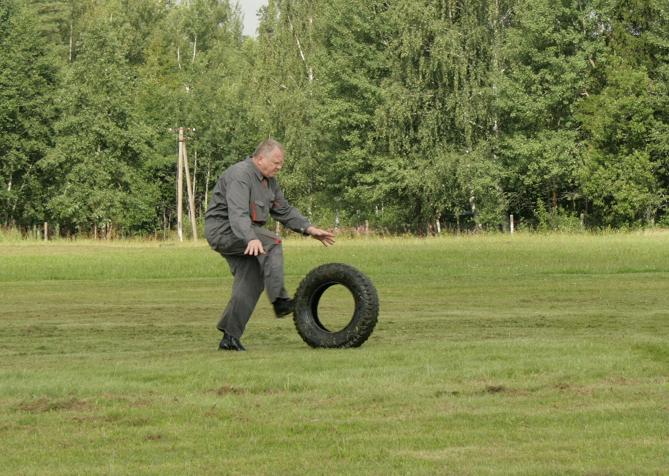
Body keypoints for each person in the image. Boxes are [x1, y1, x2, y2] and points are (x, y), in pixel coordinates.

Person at [204, 139, 335, 351]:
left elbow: (283, 210)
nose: (279, 167)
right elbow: (237, 214)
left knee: (253, 279)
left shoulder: (269, 181)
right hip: (225, 230)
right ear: (260, 158)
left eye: (281, 163)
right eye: (276, 162)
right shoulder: (241, 175)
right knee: (272, 243)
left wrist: (309, 229)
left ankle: (230, 337)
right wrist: (251, 238)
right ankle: (281, 301)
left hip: (246, 233)